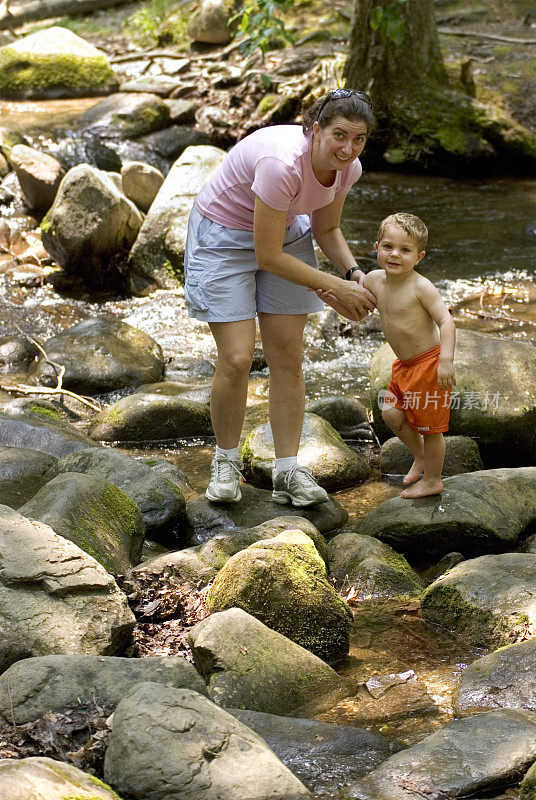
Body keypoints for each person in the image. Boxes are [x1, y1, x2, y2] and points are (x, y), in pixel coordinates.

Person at [184, 88, 377, 507]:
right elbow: (266, 255)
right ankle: (226, 462)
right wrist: (332, 288)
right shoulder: (281, 164)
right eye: (339, 135)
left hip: (283, 232)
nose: (348, 148)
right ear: (314, 129)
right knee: (237, 358)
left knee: (287, 357)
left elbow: (326, 229)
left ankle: (287, 470)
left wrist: (354, 274)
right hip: (223, 235)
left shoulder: (349, 168)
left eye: (358, 139)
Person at [319, 212, 456, 498]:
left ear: (419, 256)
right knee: (391, 414)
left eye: (405, 250)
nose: (395, 255)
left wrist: (446, 361)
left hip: (428, 365)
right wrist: (331, 297)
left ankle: (433, 479)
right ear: (377, 246)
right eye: (388, 247)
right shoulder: (373, 280)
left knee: (431, 429)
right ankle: (419, 456)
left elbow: (446, 321)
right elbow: (357, 311)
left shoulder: (421, 287)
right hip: (403, 366)